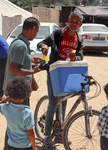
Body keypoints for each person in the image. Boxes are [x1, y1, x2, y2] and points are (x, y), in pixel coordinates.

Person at [37, 12, 83, 149]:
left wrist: (76, 58)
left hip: (67, 75)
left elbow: (80, 55)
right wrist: (43, 47)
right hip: (54, 73)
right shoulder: (57, 34)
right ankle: (46, 137)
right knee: (52, 104)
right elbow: (42, 43)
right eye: (72, 21)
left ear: (80, 24)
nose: (74, 24)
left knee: (63, 104)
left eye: (77, 22)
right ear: (68, 21)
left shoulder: (79, 39)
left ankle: (59, 134)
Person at [3, 16, 43, 106]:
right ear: (33, 29)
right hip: (17, 93)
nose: (36, 34)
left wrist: (30, 59)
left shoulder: (17, 41)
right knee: (20, 119)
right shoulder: (21, 46)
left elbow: (19, 62)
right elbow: (12, 69)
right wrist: (33, 71)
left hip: (18, 91)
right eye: (36, 31)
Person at [0, 76, 37, 150]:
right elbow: (31, 132)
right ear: (25, 96)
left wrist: (9, 96)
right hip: (25, 146)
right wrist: (34, 147)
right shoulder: (27, 112)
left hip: (11, 145)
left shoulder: (6, 108)